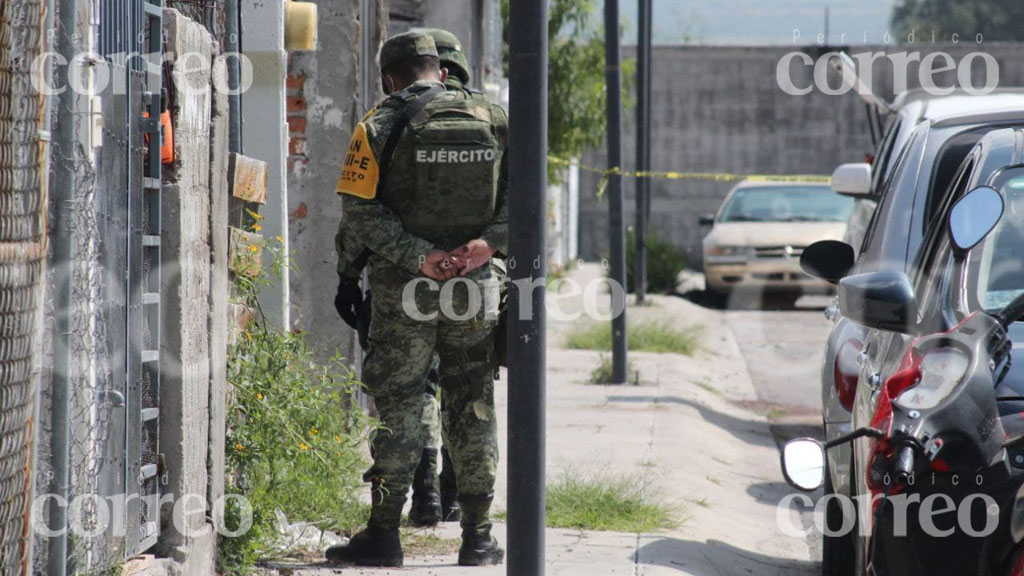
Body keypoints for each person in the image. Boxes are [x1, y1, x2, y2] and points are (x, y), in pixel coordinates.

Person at [326, 31, 508, 568]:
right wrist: (485, 246)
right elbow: (524, 197)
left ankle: (384, 534)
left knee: (402, 403)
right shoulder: (496, 118)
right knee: (472, 403)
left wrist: (413, 255)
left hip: (404, 289)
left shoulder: (378, 124)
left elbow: (358, 211)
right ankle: (476, 537)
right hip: (475, 289)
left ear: (390, 77)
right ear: (441, 70)